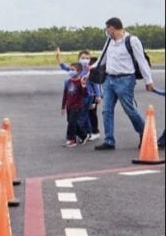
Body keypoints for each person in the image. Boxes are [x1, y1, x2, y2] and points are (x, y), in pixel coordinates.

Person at [93, 17, 156, 151]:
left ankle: (145, 134)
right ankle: (109, 140)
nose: (106, 32)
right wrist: (89, 71)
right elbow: (102, 59)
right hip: (109, 79)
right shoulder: (109, 41)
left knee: (129, 109)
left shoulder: (132, 40)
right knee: (106, 110)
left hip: (125, 80)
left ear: (112, 28)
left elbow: (141, 61)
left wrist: (148, 80)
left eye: (107, 29)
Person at [55, 47, 100, 139]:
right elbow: (64, 66)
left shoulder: (90, 70)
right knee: (83, 115)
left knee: (82, 116)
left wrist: (98, 95)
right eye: (83, 58)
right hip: (78, 96)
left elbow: (96, 84)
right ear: (78, 59)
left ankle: (82, 133)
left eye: (87, 58)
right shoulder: (76, 69)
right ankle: (86, 131)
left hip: (88, 96)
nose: (85, 60)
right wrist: (58, 56)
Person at [61, 62, 90, 147]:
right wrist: (63, 106)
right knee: (71, 121)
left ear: (79, 71)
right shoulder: (68, 82)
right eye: (70, 69)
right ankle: (83, 134)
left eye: (73, 70)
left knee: (71, 122)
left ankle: (71, 139)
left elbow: (85, 94)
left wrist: (83, 86)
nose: (70, 71)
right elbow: (65, 94)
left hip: (77, 106)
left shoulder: (80, 82)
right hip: (69, 105)